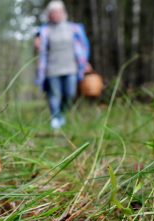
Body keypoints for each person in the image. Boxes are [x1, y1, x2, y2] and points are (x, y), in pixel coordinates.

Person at [35, 1, 91, 129]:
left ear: (63, 13)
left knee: (69, 93)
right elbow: (38, 40)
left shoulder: (74, 28)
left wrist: (85, 62)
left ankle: (61, 114)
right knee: (55, 94)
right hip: (52, 68)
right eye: (53, 12)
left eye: (58, 11)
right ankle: (55, 118)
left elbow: (82, 47)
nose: (56, 14)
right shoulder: (44, 30)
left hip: (71, 67)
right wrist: (37, 43)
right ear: (49, 15)